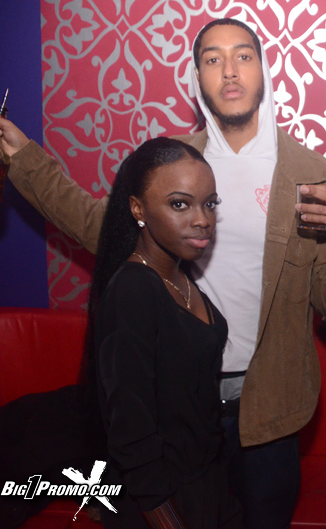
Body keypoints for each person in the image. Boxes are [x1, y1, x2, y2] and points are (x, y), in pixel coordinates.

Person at [0, 18, 326, 529]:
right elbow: (99, 227)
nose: (230, 70)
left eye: (243, 55)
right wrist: (24, 159)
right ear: (197, 78)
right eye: (213, 59)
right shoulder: (173, 164)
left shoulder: (309, 174)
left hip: (269, 411)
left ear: (264, 70)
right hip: (176, 409)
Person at [87, 137, 240, 528]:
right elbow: (131, 431)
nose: (202, 219)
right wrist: (167, 519)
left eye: (210, 203)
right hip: (162, 499)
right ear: (138, 208)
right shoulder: (133, 291)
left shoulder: (180, 277)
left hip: (206, 482)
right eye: (179, 204)